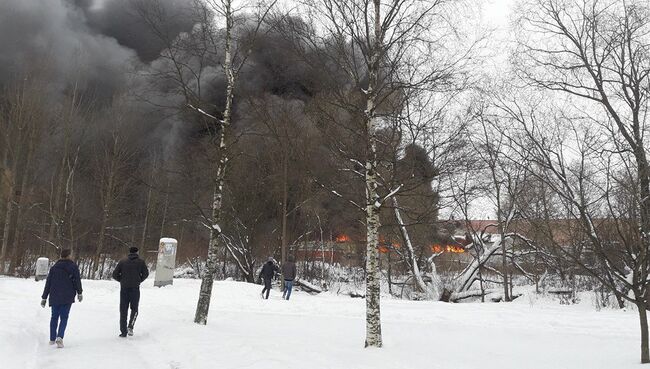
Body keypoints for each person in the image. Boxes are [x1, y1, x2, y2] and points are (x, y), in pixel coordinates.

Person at [40, 248, 83, 348]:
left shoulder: (54, 267)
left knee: (54, 317)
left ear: (61, 256)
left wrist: (44, 297)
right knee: (64, 317)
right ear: (68, 256)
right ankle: (60, 337)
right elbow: (77, 280)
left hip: (54, 295)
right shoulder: (73, 267)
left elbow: (48, 283)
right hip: (67, 296)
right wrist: (79, 293)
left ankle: (52, 338)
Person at [112, 246, 149, 338]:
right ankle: (131, 326)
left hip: (124, 288)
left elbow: (115, 274)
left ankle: (123, 331)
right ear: (137, 252)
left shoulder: (123, 261)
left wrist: (122, 280)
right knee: (134, 308)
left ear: (129, 252)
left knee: (123, 309)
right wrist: (139, 280)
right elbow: (146, 274)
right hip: (135, 288)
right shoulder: (141, 262)